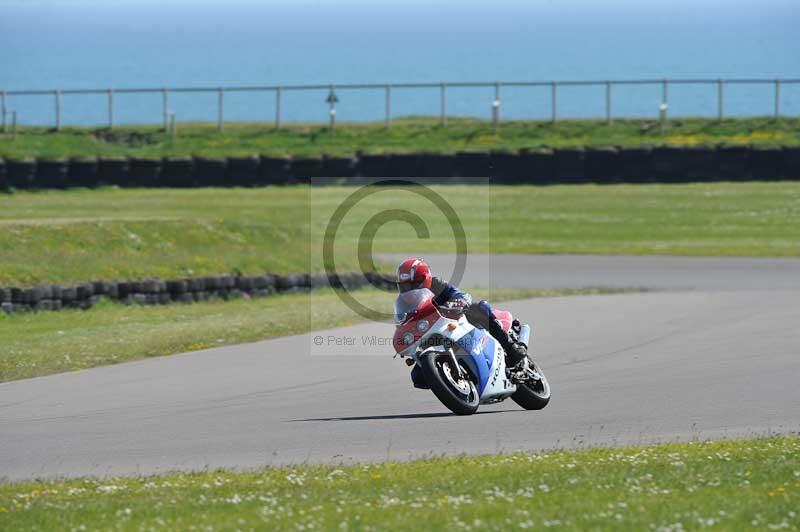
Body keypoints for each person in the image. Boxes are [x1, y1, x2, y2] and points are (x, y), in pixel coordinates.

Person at [396, 257, 528, 369]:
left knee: (479, 308)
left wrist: (456, 304)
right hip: (432, 332)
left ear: (426, 278)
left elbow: (462, 296)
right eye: (404, 286)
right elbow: (403, 322)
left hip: (457, 320)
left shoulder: (438, 284)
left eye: (413, 285)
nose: (409, 290)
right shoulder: (404, 303)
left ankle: (511, 346)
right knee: (418, 376)